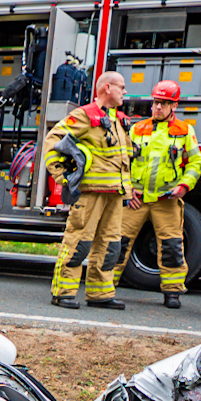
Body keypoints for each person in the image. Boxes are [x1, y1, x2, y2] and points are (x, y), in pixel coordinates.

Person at [44, 70, 134, 310]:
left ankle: (100, 293)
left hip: (114, 194)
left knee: (110, 245)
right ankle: (63, 292)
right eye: (121, 87)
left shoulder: (119, 120)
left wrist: (129, 188)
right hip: (90, 193)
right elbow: (53, 141)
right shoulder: (84, 115)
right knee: (78, 242)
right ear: (107, 88)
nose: (125, 92)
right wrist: (63, 178)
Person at [128, 80, 201, 308]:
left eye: (164, 103)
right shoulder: (137, 128)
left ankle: (172, 292)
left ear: (175, 106)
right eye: (156, 102)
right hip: (136, 199)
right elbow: (124, 161)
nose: (158, 107)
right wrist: (128, 188)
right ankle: (104, 289)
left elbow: (195, 162)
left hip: (167, 201)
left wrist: (184, 186)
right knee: (117, 244)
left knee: (172, 247)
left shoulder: (184, 131)